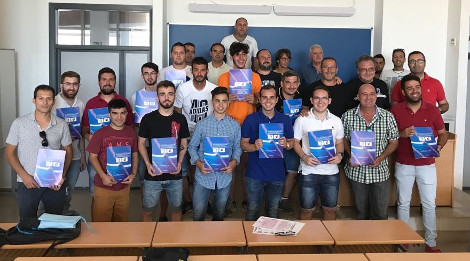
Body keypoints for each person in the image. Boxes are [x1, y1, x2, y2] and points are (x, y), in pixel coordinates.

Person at [390, 74, 448, 253]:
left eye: (417, 87)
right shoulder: (396, 111)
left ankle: (431, 243)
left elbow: (442, 133)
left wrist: (439, 145)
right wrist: (402, 134)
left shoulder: (432, 109)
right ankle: (403, 239)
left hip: (427, 164)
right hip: (404, 163)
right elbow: (388, 138)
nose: (414, 91)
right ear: (403, 91)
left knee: (429, 204)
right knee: (403, 203)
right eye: (410, 88)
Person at [6, 85, 72, 219]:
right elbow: (9, 152)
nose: (45, 102)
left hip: (53, 182)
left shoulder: (61, 124)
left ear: (53, 101)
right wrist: (23, 175)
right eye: (41, 98)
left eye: (49, 99)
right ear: (34, 100)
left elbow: (69, 151)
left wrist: (62, 175)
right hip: (27, 181)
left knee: (53, 220)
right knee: (27, 221)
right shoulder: (19, 123)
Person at [341, 84, 398, 220]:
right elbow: (342, 139)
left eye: (372, 94)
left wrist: (381, 157)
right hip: (357, 172)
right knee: (361, 214)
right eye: (364, 94)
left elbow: (394, 141)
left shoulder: (387, 117)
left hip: (379, 172)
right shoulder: (347, 116)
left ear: (376, 96)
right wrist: (351, 155)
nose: (368, 98)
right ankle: (364, 240)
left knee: (381, 214)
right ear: (358, 97)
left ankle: (379, 241)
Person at [218, 41, 262, 215]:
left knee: (246, 166)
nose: (241, 58)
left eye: (244, 55)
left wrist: (255, 101)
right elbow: (218, 102)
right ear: (231, 57)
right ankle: (229, 201)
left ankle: (245, 200)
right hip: (229, 124)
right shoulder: (224, 77)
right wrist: (229, 99)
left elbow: (262, 101)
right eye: (237, 55)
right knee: (228, 165)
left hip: (249, 125)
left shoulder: (255, 77)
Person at [241, 85, 294, 220]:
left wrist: (286, 144)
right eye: (264, 97)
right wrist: (254, 146)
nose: (268, 101)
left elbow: (292, 142)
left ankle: (271, 241)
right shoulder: (250, 119)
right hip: (255, 173)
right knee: (252, 210)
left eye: (271, 97)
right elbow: (243, 144)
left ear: (277, 99)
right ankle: (250, 241)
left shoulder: (285, 119)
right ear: (259, 99)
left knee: (273, 211)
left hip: (277, 174)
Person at [188, 87, 242, 221]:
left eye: (224, 101)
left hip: (224, 176)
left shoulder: (235, 126)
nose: (221, 104)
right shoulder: (201, 125)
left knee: (219, 213)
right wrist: (199, 164)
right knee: (198, 213)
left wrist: (234, 162)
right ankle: (199, 242)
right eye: (217, 101)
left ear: (229, 102)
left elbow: (237, 148)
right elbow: (192, 146)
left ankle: (216, 240)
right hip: (203, 175)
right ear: (212, 102)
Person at [139, 80, 190, 222]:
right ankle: (146, 242)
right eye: (162, 94)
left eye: (170, 94)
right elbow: (141, 143)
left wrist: (180, 161)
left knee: (176, 209)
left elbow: (184, 141)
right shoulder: (148, 119)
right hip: (153, 174)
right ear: (157, 97)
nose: (166, 97)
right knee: (148, 210)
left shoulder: (181, 118)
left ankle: (175, 242)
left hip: (174, 174)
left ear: (174, 96)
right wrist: (148, 164)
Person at [293, 86, 344, 220]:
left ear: (329, 101)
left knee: (330, 210)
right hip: (308, 172)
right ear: (311, 100)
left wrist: (340, 155)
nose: (320, 101)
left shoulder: (336, 120)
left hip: (331, 173)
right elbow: (294, 142)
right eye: (317, 98)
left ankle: (327, 241)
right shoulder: (302, 120)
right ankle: (306, 241)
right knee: (306, 210)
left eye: (324, 98)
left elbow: (339, 142)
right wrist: (304, 157)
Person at [175, 57, 217, 215]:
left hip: (207, 136)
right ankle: (187, 201)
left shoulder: (214, 89)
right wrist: (180, 137)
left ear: (207, 71)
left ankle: (207, 202)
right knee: (184, 171)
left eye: (202, 70)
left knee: (207, 169)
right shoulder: (182, 89)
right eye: (196, 70)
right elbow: (177, 114)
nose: (199, 73)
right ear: (191, 71)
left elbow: (217, 113)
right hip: (187, 135)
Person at [82, 67, 134, 195]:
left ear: (115, 82)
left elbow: (131, 128)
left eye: (111, 79)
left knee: (120, 190)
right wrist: (90, 137)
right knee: (95, 192)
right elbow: (84, 130)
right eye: (104, 79)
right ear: (99, 82)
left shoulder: (124, 102)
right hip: (97, 156)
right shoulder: (91, 103)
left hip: (120, 154)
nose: (108, 82)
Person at [86, 99, 138, 221]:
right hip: (104, 186)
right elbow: (92, 157)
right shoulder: (99, 134)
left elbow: (135, 154)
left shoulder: (131, 133)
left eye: (122, 113)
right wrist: (103, 176)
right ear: (109, 114)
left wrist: (133, 174)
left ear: (127, 114)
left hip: (124, 187)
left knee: (121, 223)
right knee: (101, 224)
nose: (119, 117)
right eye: (115, 113)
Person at [52, 71, 86, 212]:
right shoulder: (52, 102)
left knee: (68, 191)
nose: (71, 87)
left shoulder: (80, 104)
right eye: (67, 84)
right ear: (61, 85)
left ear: (78, 85)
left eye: (74, 84)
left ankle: (63, 221)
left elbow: (82, 133)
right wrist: (63, 136)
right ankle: (47, 223)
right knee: (51, 191)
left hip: (75, 156)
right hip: (55, 156)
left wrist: (83, 156)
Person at [274, 70, 303, 214]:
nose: (291, 86)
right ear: (282, 83)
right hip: (274, 140)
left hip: (294, 141)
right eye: (288, 82)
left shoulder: (301, 98)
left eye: (294, 83)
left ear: (298, 84)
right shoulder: (273, 97)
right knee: (275, 171)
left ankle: (283, 200)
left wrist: (306, 109)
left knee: (292, 171)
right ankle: (272, 201)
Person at [131, 62, 159, 185]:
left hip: (162, 140)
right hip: (144, 142)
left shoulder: (163, 94)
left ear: (157, 74)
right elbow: (136, 122)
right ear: (142, 76)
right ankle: (145, 205)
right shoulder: (136, 97)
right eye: (146, 73)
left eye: (152, 73)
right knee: (143, 177)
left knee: (163, 175)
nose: (150, 76)